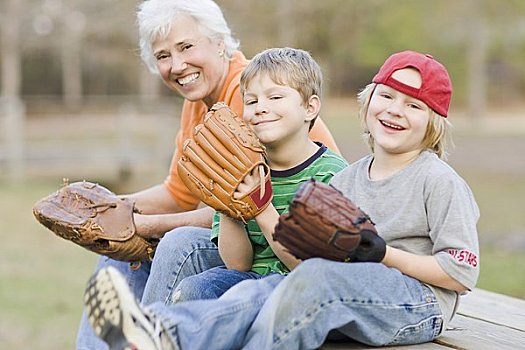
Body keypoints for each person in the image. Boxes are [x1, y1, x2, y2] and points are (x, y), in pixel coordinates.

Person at [85, 49, 480, 350]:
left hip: (417, 304)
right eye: (388, 97)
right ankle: (157, 330)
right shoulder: (348, 180)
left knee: (313, 280)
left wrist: (382, 254)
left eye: (414, 105)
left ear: (434, 123)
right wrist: (239, 207)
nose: (396, 111)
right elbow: (309, 262)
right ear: (369, 101)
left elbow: (461, 274)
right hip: (349, 289)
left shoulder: (437, 180)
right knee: (267, 287)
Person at [76, 0, 341, 349]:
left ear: (219, 42)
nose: (177, 65)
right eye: (163, 56)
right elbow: (178, 194)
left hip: (289, 245)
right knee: (119, 252)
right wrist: (110, 208)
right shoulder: (196, 104)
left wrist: (139, 226)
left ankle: (153, 333)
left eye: (186, 46)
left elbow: (240, 201)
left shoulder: (249, 97)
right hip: (250, 243)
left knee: (176, 242)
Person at [148, 47, 348, 305]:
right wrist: (229, 206)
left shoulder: (330, 174)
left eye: (275, 97)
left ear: (310, 108)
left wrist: (261, 206)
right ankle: (151, 335)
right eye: (251, 101)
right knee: (194, 289)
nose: (261, 108)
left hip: (303, 290)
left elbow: (309, 267)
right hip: (252, 280)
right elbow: (238, 264)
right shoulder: (242, 168)